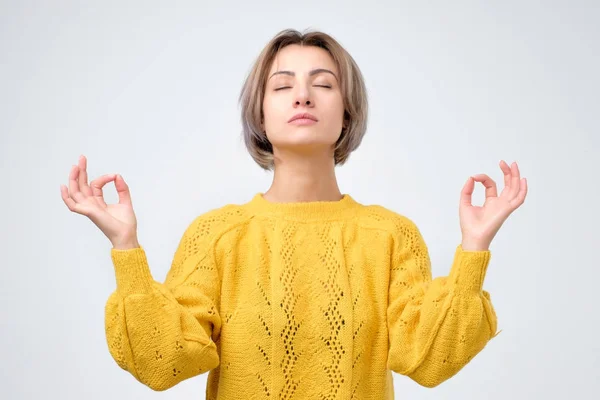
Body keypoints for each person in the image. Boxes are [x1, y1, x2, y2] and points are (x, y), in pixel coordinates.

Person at [60, 28, 527, 399]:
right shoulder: (218, 235)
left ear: (347, 112)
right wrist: (126, 247)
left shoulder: (390, 236)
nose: (303, 96)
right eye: (282, 86)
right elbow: (163, 363)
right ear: (260, 115)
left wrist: (473, 250)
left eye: (323, 84)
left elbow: (426, 360)